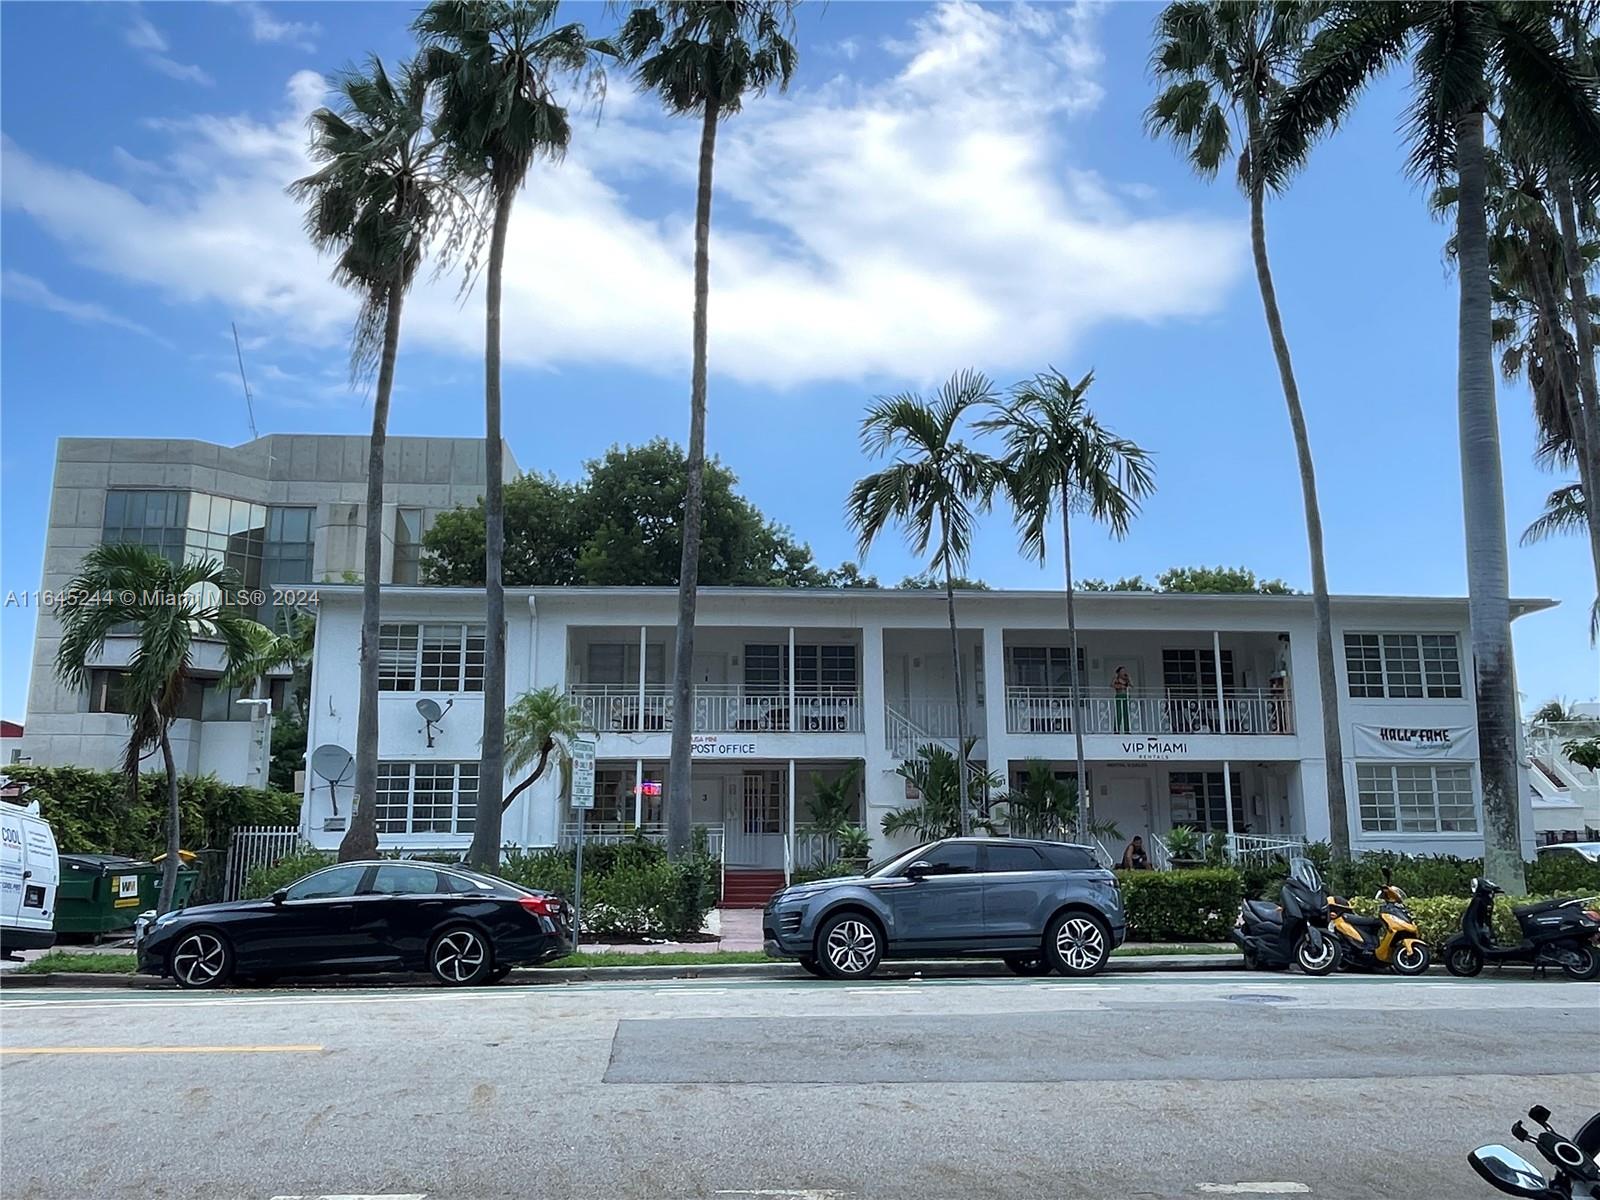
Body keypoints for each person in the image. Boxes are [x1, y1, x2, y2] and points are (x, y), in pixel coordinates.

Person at [1112, 665, 1132, 733]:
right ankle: (1116, 729)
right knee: (1119, 713)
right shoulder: (1116, 678)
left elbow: (1132, 685)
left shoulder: (1126, 679)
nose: (1123, 672)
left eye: (1124, 671)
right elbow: (1112, 685)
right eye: (1122, 671)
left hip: (1125, 696)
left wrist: (1129, 678)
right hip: (1119, 695)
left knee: (1126, 713)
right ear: (1119, 672)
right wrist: (1119, 684)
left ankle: (1127, 729)